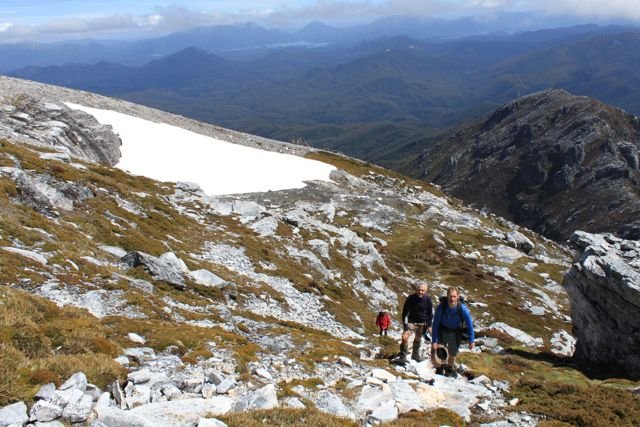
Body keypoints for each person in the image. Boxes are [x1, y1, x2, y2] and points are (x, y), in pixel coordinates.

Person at [431, 286, 475, 376]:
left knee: (452, 353)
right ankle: (440, 368)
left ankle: (449, 370)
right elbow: (435, 324)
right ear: (447, 296)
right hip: (442, 330)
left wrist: (471, 340)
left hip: (455, 333)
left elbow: (470, 325)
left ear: (458, 296)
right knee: (440, 352)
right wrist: (434, 341)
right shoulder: (441, 307)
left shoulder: (462, 309)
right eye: (450, 296)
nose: (452, 299)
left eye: (454, 296)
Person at [400, 283, 433, 362]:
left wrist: (429, 325)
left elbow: (430, 313)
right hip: (411, 322)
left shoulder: (428, 299)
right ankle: (402, 356)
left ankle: (415, 355)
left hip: (422, 323)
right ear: (416, 290)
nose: (420, 292)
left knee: (418, 338)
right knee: (405, 337)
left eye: (422, 290)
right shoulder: (410, 298)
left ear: (426, 291)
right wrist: (405, 327)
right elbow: (405, 313)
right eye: (419, 290)